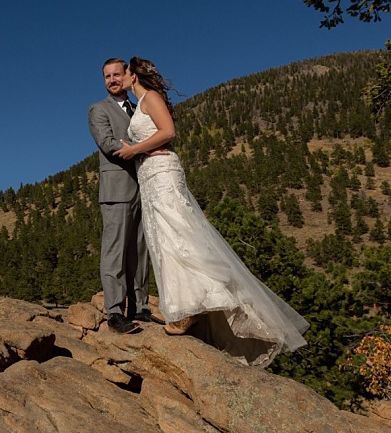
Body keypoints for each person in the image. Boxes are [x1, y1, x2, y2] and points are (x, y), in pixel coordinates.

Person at [113, 56, 309, 366]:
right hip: (149, 176)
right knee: (164, 239)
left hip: (162, 174)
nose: (117, 78)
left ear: (133, 74)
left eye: (121, 72)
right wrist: (138, 149)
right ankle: (185, 307)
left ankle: (192, 307)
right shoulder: (140, 103)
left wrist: (135, 149)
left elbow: (168, 132)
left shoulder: (150, 97)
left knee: (178, 233)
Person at [88, 58, 154, 334]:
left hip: (144, 186)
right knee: (114, 251)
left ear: (127, 76)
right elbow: (107, 143)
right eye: (107, 76)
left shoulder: (140, 108)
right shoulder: (98, 110)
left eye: (117, 74)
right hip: (116, 190)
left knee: (139, 250)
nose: (112, 80)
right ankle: (114, 311)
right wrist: (146, 147)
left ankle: (139, 305)